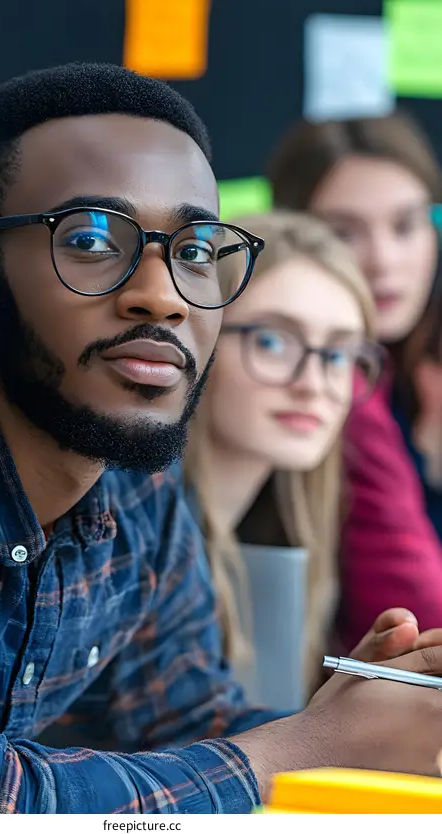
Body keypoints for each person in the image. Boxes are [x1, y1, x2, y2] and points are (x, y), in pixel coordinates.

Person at [0, 65, 441, 815]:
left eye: (194, 251)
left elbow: (193, 728)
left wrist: (355, 714)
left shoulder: (132, 479)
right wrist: (309, 746)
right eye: (92, 238)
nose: (160, 294)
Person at [185, 211, 382, 710]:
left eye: (338, 355)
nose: (312, 384)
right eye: (272, 341)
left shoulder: (287, 533)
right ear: (196, 339)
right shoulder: (130, 535)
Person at [268, 113, 442, 649]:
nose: (384, 260)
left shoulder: (418, 364)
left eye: (406, 225)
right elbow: (423, 621)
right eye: (343, 232)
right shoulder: (325, 379)